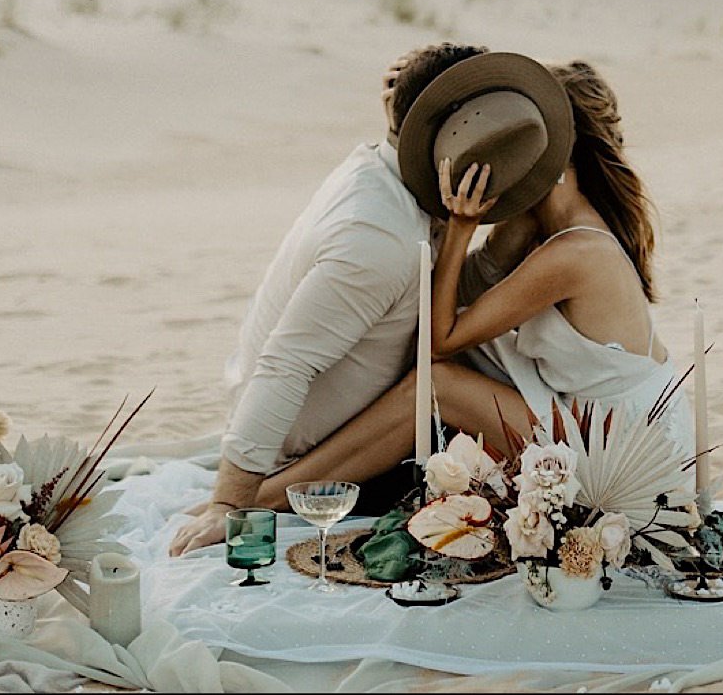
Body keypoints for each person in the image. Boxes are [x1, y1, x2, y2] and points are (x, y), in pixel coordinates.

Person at [248, 58, 690, 508]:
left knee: (435, 384)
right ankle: (296, 483)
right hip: (590, 419)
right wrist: (407, 125)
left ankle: (260, 500)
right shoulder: (543, 227)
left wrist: (462, 226)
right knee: (453, 368)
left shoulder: (573, 253)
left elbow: (440, 339)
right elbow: (455, 294)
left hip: (618, 448)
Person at [166, 41, 488, 556]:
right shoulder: (378, 237)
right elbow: (285, 365)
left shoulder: (382, 171)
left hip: (330, 434)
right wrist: (228, 506)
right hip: (310, 461)